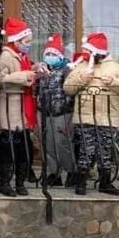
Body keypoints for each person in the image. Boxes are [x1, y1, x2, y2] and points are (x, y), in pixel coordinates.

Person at [63, 32, 119, 196]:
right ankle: (81, 182)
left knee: (105, 150)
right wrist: (82, 78)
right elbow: (67, 87)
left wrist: (114, 82)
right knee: (86, 149)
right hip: (85, 116)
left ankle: (105, 182)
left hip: (107, 116)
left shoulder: (115, 67)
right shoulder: (81, 65)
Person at [0, 17, 37, 197]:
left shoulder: (23, 56)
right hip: (9, 109)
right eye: (26, 42)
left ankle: (20, 182)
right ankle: (6, 182)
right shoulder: (6, 56)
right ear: (16, 40)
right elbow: (0, 79)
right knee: (9, 149)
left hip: (21, 110)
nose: (28, 45)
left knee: (23, 148)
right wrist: (25, 76)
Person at [35, 34, 75, 187]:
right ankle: (54, 173)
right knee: (47, 145)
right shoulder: (43, 70)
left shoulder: (67, 69)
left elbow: (71, 90)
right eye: (48, 54)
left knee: (62, 143)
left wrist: (66, 106)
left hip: (62, 113)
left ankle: (71, 171)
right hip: (44, 112)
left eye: (53, 54)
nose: (50, 57)